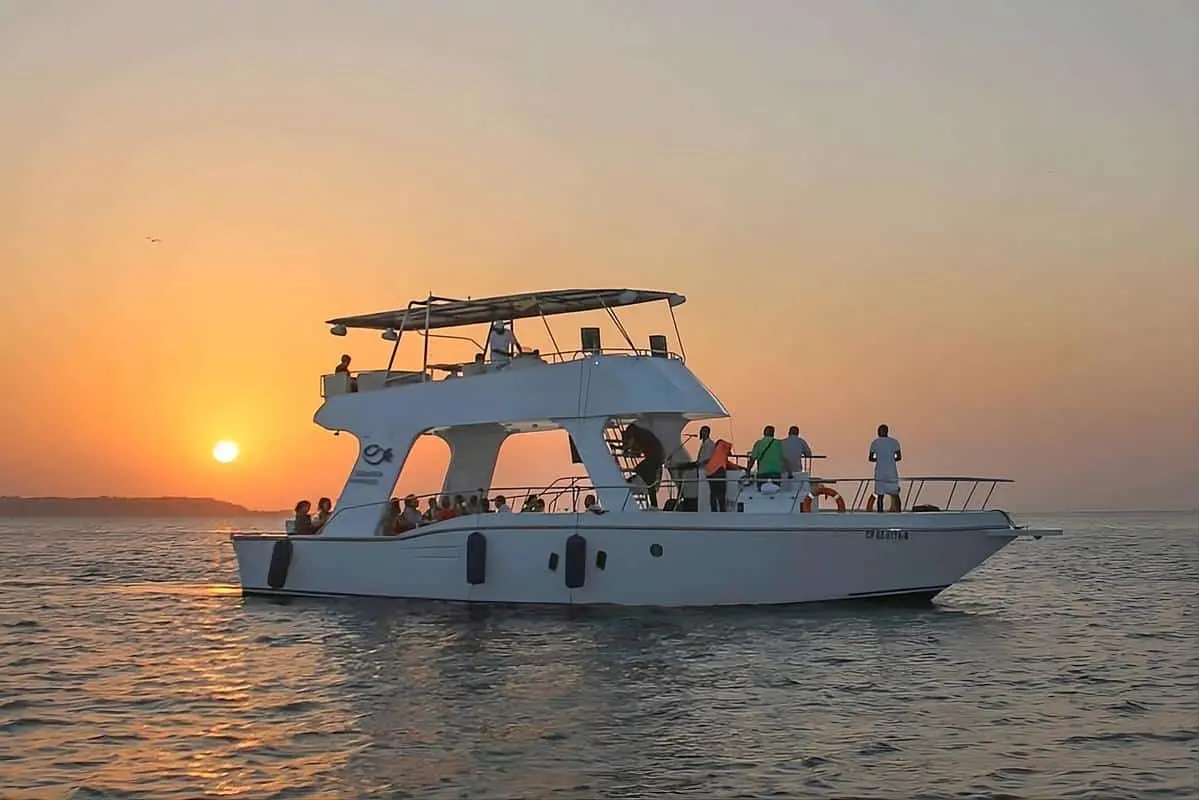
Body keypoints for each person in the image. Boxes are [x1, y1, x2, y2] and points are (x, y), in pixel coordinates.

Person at [622, 422, 665, 508]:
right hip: (657, 458)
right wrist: (628, 451)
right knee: (650, 482)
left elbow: (636, 451)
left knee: (639, 469)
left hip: (654, 458)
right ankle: (654, 505)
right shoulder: (641, 434)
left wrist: (627, 451)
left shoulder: (639, 436)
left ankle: (637, 480)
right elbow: (637, 452)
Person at [868, 424, 903, 512]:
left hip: (880, 472)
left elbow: (871, 458)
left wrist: (879, 458)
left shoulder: (875, 442)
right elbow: (899, 457)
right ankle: (899, 512)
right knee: (895, 494)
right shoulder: (894, 442)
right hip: (891, 472)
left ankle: (880, 513)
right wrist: (890, 458)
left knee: (880, 495)